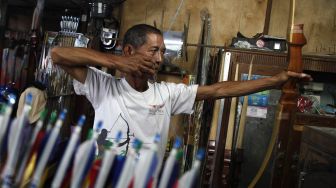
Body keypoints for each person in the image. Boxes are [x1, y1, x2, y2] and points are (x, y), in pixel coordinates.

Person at [51, 24, 311, 161]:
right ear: (129, 51)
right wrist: (116, 62)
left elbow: (218, 90)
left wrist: (275, 80)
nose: (159, 59)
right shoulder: (104, 87)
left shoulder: (166, 94)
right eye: (154, 50)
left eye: (162, 52)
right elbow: (58, 54)